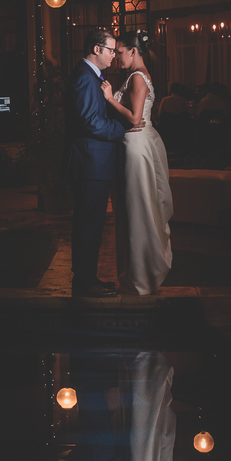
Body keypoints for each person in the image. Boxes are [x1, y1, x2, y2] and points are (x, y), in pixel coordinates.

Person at [65, 28, 143, 298]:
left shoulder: (90, 76)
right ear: (96, 49)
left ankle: (88, 278)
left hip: (93, 164)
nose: (113, 55)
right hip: (90, 164)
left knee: (92, 226)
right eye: (110, 50)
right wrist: (123, 128)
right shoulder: (85, 78)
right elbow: (91, 122)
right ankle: (84, 283)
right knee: (89, 226)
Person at [102, 31, 173, 295]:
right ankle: (136, 276)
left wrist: (110, 98)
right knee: (136, 208)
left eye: (120, 52)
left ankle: (140, 277)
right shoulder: (140, 76)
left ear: (133, 51)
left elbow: (134, 118)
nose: (116, 57)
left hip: (135, 146)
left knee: (136, 210)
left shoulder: (137, 77)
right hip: (137, 144)